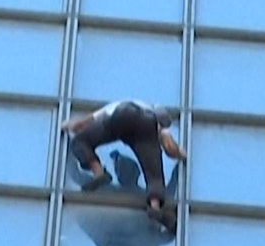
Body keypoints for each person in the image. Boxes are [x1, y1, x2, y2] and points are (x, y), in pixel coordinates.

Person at [61, 99, 186, 232]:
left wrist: (69, 126)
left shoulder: (127, 103)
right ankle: (155, 207)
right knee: (154, 176)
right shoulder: (155, 125)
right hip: (144, 126)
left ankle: (98, 172)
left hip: (120, 117)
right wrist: (181, 155)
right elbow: (170, 148)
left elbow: (86, 122)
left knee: (80, 142)